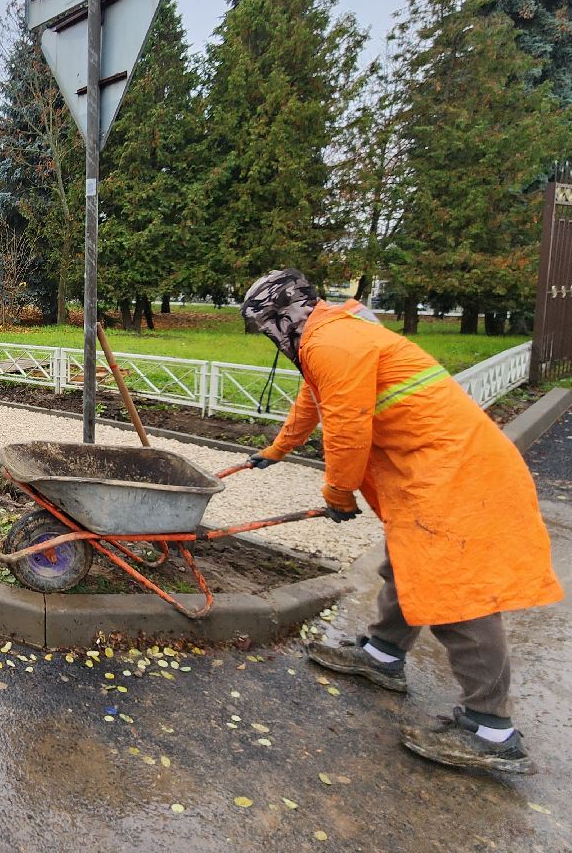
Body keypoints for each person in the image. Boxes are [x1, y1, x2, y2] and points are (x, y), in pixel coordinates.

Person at [241, 268, 562, 776]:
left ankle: (490, 729)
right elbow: (316, 400)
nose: (270, 339)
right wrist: (276, 450)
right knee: (406, 562)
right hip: (436, 467)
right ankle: (384, 654)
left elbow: (347, 429)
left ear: (285, 317)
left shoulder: (333, 342)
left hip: (454, 472)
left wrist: (338, 494)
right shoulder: (331, 333)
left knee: (458, 595)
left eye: (267, 328)